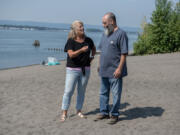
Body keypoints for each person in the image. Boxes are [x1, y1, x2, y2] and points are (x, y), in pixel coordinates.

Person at [95, 12, 128, 124]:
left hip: (115, 70)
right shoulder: (105, 33)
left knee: (115, 94)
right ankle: (104, 112)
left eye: (105, 23)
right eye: (103, 23)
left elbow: (124, 53)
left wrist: (119, 69)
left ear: (112, 22)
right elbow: (102, 51)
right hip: (104, 69)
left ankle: (114, 115)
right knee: (103, 93)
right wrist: (99, 64)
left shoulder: (121, 34)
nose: (103, 25)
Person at [60, 20, 96, 122]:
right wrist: (81, 50)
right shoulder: (70, 41)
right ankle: (64, 113)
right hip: (72, 70)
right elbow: (71, 55)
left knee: (81, 91)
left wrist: (92, 57)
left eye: (83, 26)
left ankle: (79, 111)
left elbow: (94, 49)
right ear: (75, 29)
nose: (82, 28)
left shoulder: (88, 40)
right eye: (80, 27)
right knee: (68, 91)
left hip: (85, 69)